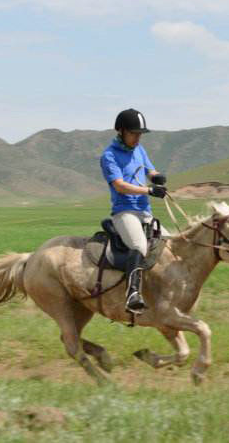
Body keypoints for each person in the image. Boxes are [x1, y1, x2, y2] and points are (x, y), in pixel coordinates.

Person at [99, 108, 168, 314]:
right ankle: (132, 295)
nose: (138, 137)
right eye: (134, 133)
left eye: (140, 134)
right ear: (121, 131)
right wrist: (149, 189)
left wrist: (157, 177)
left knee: (170, 244)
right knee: (139, 245)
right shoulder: (109, 156)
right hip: (124, 212)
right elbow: (119, 185)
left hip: (144, 210)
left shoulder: (139, 149)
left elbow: (150, 170)